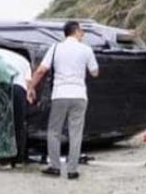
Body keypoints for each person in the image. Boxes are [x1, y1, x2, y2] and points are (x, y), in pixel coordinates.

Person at [27, 21, 99, 180]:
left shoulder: (55, 48)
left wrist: (31, 87)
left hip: (60, 94)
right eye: (82, 31)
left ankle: (54, 167)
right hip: (79, 95)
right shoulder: (86, 49)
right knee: (76, 133)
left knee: (54, 131)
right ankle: (72, 170)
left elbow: (41, 70)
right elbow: (94, 72)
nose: (83, 34)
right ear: (76, 31)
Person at [0, 48, 32, 166]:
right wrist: (30, 96)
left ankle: (4, 160)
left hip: (3, 85)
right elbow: (29, 82)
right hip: (19, 89)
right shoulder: (24, 61)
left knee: (3, 123)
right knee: (19, 124)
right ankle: (18, 159)